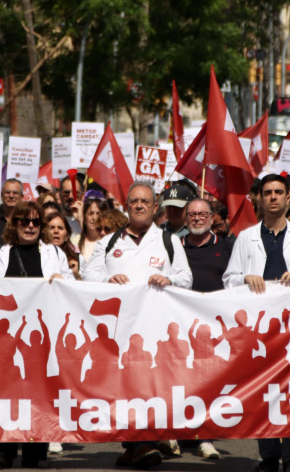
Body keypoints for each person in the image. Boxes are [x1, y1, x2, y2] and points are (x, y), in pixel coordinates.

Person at [83, 181, 192, 469]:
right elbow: (88, 276)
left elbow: (186, 278)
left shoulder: (169, 242)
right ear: (127, 207)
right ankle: (133, 446)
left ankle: (144, 443)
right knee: (123, 388)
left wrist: (169, 279)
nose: (139, 206)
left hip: (154, 332)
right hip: (117, 333)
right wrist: (107, 280)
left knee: (147, 386)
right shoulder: (109, 242)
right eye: (134, 202)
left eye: (145, 201)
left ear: (155, 208)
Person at [222, 174, 290, 472]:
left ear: (288, 197)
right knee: (263, 392)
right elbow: (228, 280)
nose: (274, 197)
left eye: (279, 192)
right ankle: (268, 456)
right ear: (260, 199)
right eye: (268, 193)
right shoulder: (246, 238)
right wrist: (245, 278)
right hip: (258, 329)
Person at [0, 201, 72, 469]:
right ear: (15, 224)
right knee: (8, 392)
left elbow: (71, 287)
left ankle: (35, 451)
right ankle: (5, 448)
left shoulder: (54, 253)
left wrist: (62, 281)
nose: (30, 226)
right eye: (24, 221)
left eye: (35, 222)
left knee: (40, 393)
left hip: (41, 337)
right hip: (10, 338)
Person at [178, 197, 230, 459]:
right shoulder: (174, 246)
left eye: (202, 214)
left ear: (212, 218)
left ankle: (205, 436)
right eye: (192, 214)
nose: (197, 218)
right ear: (185, 218)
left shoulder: (227, 246)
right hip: (179, 325)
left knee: (208, 382)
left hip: (214, 328)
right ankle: (178, 433)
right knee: (181, 381)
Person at [0, 179, 24, 247]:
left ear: (22, 196)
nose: (11, 196)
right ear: (1, 195)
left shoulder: (29, 222)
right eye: (7, 192)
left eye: (15, 193)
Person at [76, 197, 107, 266]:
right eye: (91, 213)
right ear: (84, 217)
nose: (94, 218)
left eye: (98, 214)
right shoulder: (76, 242)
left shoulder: (107, 242)